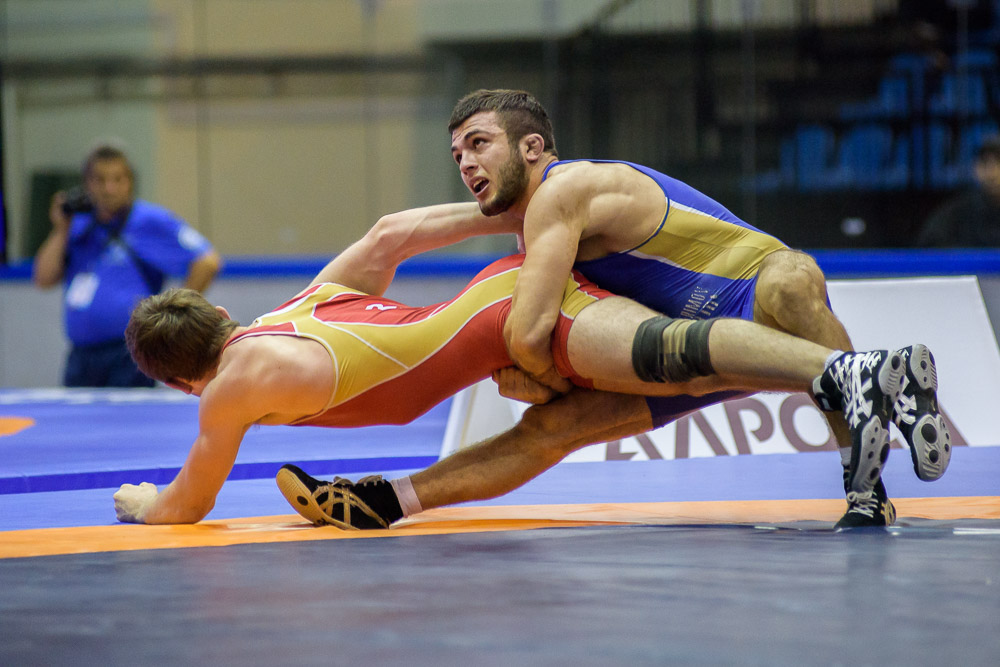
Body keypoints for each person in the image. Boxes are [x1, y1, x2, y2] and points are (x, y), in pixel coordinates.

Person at [281, 89, 952, 529]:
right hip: (692, 348)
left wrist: (539, 374)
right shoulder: (536, 223)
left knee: (792, 280)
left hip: (753, 290)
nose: (465, 162)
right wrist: (547, 382)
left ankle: (865, 474)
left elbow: (530, 333)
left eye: (479, 143)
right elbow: (411, 237)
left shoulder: (562, 193)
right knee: (552, 430)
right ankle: (388, 500)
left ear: (532, 147)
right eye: (457, 153)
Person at [112, 206, 942, 528]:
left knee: (672, 353)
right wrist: (503, 213)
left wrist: (143, 500)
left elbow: (190, 503)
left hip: (512, 311)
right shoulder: (300, 306)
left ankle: (859, 371)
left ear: (179, 378)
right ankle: (388, 500)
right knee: (563, 423)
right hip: (498, 304)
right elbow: (391, 235)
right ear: (219, 315)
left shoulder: (229, 389)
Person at [32, 143, 221, 387]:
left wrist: (173, 317)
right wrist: (61, 228)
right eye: (100, 180)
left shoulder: (150, 220)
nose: (109, 189)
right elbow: (43, 278)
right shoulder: (77, 224)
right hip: (81, 356)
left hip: (131, 355)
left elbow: (207, 262)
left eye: (117, 179)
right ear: (87, 183)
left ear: (130, 182)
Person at [918, 134, 1000, 247]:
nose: (992, 173)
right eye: (985, 164)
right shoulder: (956, 214)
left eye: (999, 163)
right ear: (975, 168)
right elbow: (928, 247)